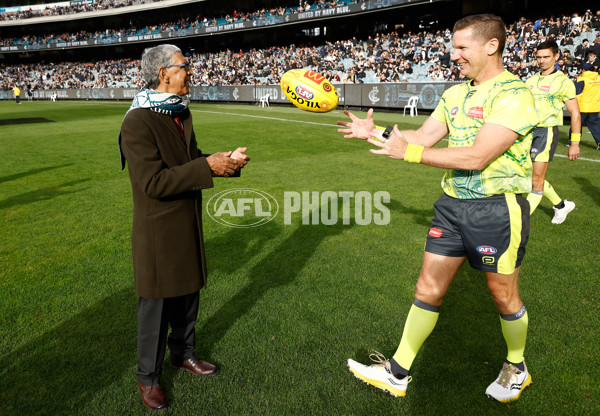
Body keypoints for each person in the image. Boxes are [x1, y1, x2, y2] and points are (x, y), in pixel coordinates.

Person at [337, 14, 538, 403]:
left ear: (491, 46)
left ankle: (517, 366)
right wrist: (376, 133)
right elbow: (424, 136)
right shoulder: (455, 94)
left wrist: (410, 153)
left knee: (503, 296)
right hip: (451, 206)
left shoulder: (514, 94)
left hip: (496, 208)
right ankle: (397, 373)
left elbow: (479, 156)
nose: (454, 54)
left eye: (462, 47)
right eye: (453, 46)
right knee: (427, 287)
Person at [118, 44, 249, 411]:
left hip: (185, 221)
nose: (190, 72)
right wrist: (207, 165)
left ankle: (183, 355)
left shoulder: (179, 112)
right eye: (184, 66)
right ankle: (148, 378)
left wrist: (225, 163)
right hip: (158, 232)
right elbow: (152, 183)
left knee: (189, 295)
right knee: (156, 307)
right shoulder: (138, 121)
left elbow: (190, 160)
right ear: (164, 74)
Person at [525, 40, 581, 224]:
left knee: (536, 181)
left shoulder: (563, 82)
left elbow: (575, 113)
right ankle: (561, 205)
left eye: (546, 57)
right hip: (528, 133)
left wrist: (574, 143)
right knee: (528, 176)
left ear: (557, 56)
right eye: (539, 57)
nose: (542, 61)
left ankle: (517, 223)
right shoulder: (531, 81)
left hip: (546, 132)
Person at [574, 63, 600, 150]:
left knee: (576, 124)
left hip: (583, 106)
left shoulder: (582, 79)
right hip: (595, 106)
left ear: (583, 70)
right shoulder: (599, 78)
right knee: (595, 125)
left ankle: (572, 141)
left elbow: (577, 93)